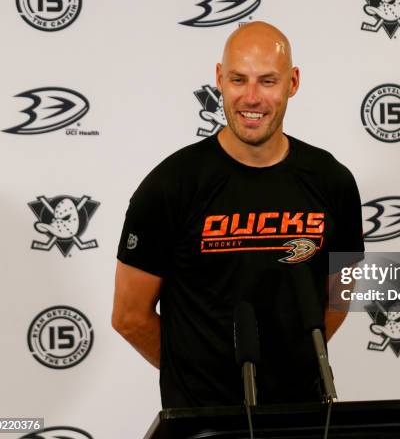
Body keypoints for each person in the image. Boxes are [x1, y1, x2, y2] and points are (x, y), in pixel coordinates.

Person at [112, 21, 364, 408]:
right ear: (218, 79)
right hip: (203, 425)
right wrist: (197, 376)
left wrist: (288, 369)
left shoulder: (332, 181)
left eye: (267, 81)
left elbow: (340, 295)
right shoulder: (171, 185)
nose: (251, 98)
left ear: (292, 83)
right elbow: (129, 316)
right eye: (237, 79)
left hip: (302, 417)